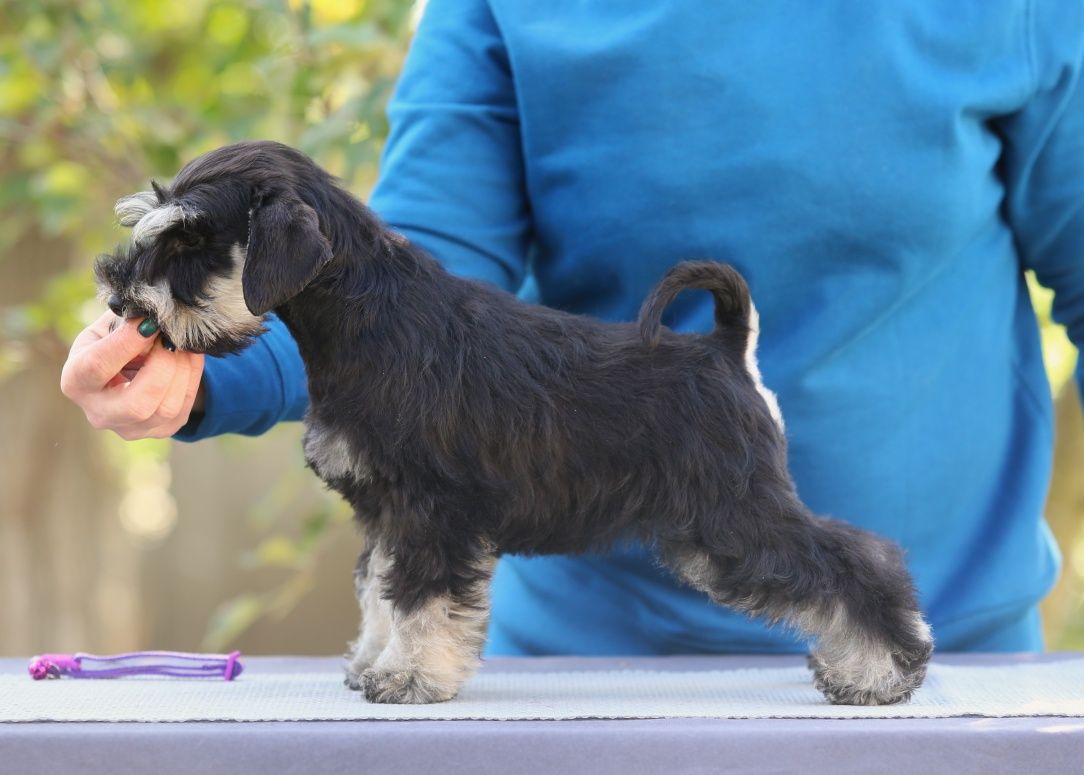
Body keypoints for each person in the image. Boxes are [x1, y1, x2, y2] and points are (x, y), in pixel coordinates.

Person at [63, 1, 1084, 654]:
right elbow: (409, 263)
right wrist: (202, 373)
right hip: (579, 672)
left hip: (963, 665)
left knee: (763, 535)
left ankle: (875, 617)